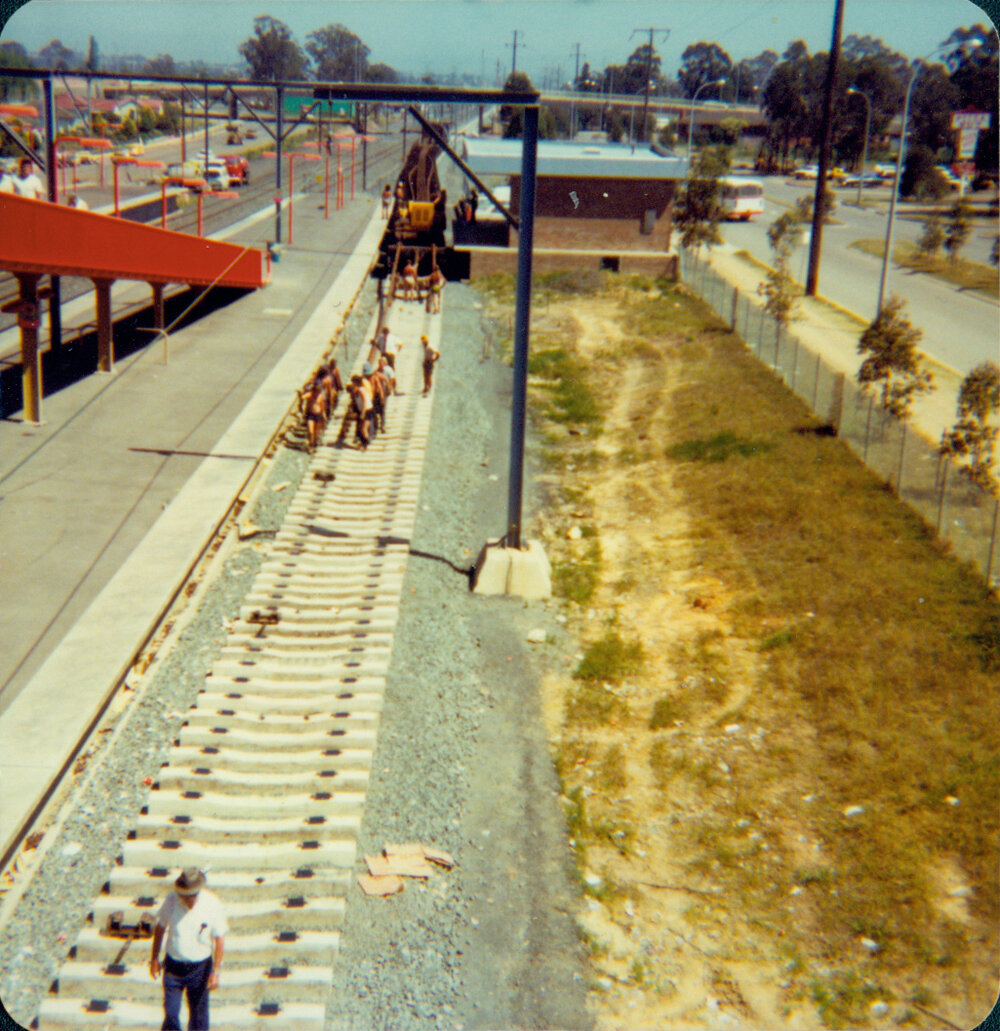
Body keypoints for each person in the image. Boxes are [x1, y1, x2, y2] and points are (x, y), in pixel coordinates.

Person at [149, 867, 227, 1031]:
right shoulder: (171, 902)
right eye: (185, 895)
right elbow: (160, 928)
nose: (188, 899)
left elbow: (219, 938)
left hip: (200, 968)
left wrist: (216, 971)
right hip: (173, 968)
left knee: (198, 1015)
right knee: (171, 1013)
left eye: (192, 895)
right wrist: (154, 958)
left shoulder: (211, 904)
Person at [304, 379, 327, 451]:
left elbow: (322, 406)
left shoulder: (321, 396)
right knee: (311, 432)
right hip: (310, 415)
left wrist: (324, 415)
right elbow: (302, 397)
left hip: (318, 415)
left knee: (316, 432)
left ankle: (314, 444)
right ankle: (311, 444)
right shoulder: (310, 394)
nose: (317, 393)